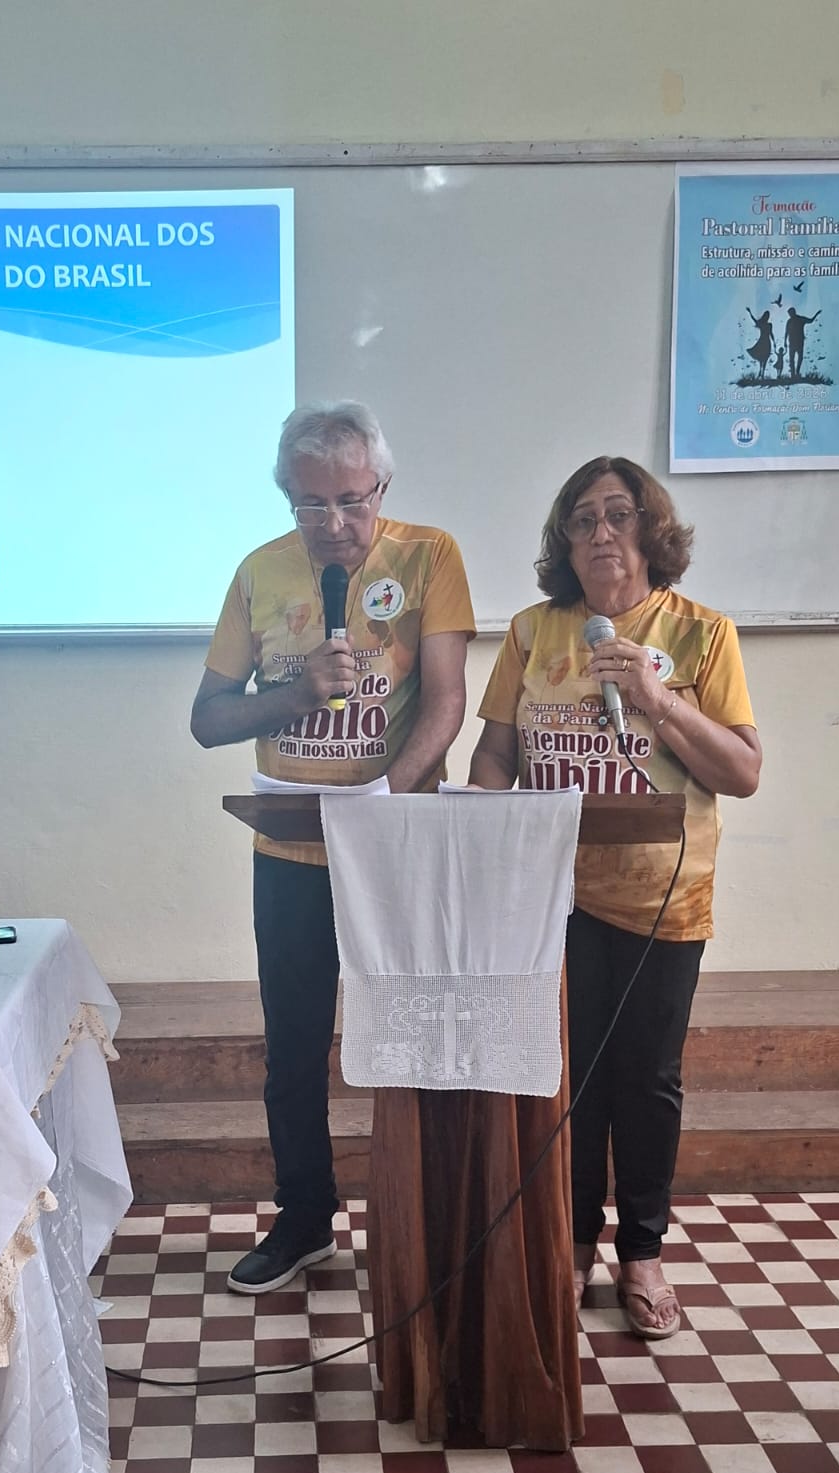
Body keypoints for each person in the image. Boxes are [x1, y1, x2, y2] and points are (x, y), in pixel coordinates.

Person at [469, 456, 760, 1339]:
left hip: (661, 897)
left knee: (646, 1081)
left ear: (650, 530)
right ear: (564, 541)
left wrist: (656, 698)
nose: (601, 533)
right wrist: (482, 824)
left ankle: (643, 1251)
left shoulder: (703, 633)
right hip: (550, 900)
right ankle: (570, 1244)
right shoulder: (533, 632)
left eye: (619, 515)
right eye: (582, 519)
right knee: (568, 1080)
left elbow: (742, 772)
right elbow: (496, 754)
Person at [191, 401, 475, 1294]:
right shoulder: (259, 572)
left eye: (354, 500)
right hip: (291, 852)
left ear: (381, 485)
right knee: (294, 1047)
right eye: (312, 504)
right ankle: (305, 1218)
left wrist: (387, 801)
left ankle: (423, 1219)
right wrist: (295, 694)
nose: (336, 523)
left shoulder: (429, 557)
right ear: (287, 495)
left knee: (418, 1036)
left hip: (398, 843)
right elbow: (208, 720)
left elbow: (446, 701)